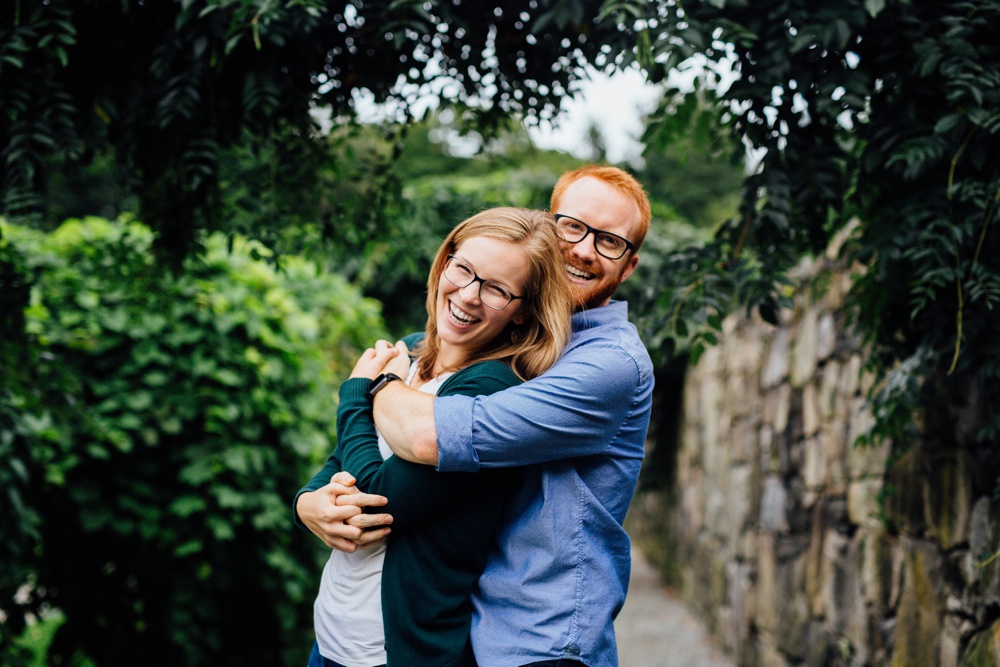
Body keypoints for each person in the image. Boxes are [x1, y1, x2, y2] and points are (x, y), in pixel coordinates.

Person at [351, 165, 655, 667]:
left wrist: (370, 385)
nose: (583, 249)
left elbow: (431, 436)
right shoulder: (516, 337)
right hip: (470, 627)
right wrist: (311, 500)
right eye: (572, 226)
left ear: (629, 266)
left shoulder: (609, 364)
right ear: (546, 224)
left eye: (609, 242)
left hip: (542, 641)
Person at [294, 207, 572, 667]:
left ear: (523, 313)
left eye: (497, 289)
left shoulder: (489, 389)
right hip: (329, 642)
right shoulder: (411, 351)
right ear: (445, 261)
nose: (468, 295)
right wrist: (307, 502)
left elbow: (377, 499)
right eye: (463, 269)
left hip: (398, 653)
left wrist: (355, 395)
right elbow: (342, 457)